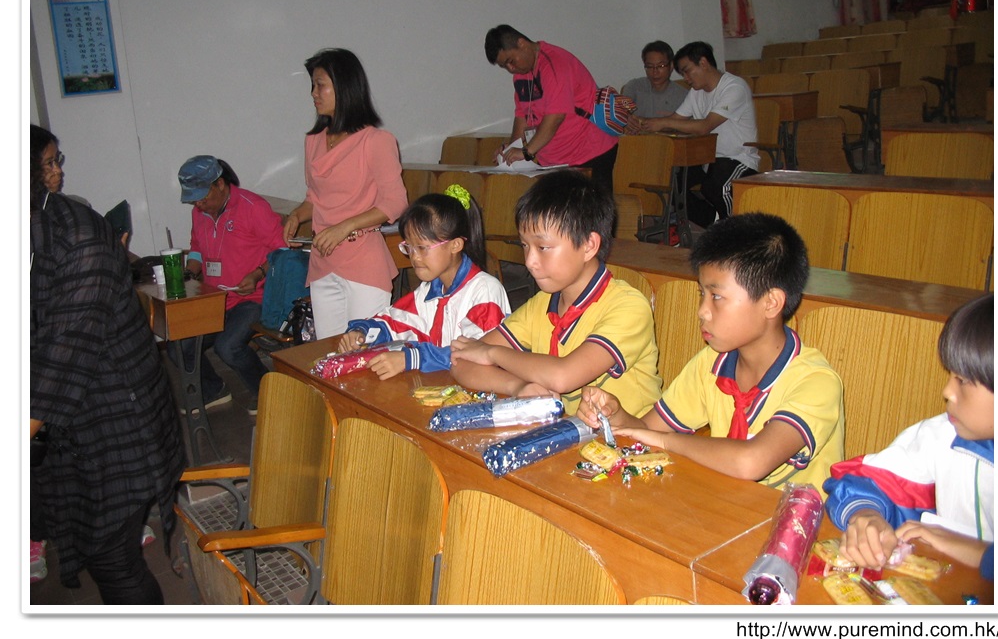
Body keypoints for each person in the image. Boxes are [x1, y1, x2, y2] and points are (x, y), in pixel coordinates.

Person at [576, 212, 845, 496]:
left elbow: (751, 461)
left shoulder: (816, 382)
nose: (702, 311)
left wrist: (665, 442)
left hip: (801, 520)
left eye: (716, 296)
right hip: (728, 508)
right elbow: (648, 429)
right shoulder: (711, 363)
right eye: (701, 295)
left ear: (770, 303)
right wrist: (616, 416)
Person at [29, 126, 185, 603]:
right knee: (99, 548)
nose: (57, 172)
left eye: (55, 161)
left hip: (119, 416)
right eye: (48, 162)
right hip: (73, 419)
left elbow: (61, 360)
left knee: (113, 558)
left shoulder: (79, 237)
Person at [450, 170, 662, 417]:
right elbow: (461, 362)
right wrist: (518, 387)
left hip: (628, 435)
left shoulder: (629, 306)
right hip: (570, 432)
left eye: (543, 247)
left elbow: (563, 377)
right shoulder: (543, 303)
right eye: (525, 245)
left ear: (589, 245)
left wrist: (491, 353)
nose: (529, 261)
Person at [823, 294, 994, 580]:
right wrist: (866, 515)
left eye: (963, 381)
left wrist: (981, 554)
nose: (947, 391)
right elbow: (867, 483)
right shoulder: (943, 435)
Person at [283, 48, 408, 339]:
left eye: (320, 85)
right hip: (324, 260)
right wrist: (297, 216)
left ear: (344, 87)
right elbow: (315, 198)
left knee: (363, 350)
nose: (313, 93)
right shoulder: (314, 141)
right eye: (312, 85)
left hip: (362, 258)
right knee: (329, 349)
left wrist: (345, 227)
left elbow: (396, 202)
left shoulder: (376, 141)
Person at [337, 185, 511, 379]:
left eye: (422, 247)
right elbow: (394, 322)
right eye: (409, 247)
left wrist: (412, 358)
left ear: (455, 245)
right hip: (441, 384)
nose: (415, 257)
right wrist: (363, 332)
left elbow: (478, 353)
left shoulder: (484, 290)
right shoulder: (430, 289)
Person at [176, 155, 287, 413]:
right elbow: (196, 247)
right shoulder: (199, 213)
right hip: (216, 298)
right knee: (180, 345)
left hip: (254, 298)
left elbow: (282, 252)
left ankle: (269, 392)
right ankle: (213, 390)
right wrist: (190, 271)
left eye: (203, 197)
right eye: (193, 200)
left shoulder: (253, 207)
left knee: (228, 347)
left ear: (220, 184)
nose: (199, 204)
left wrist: (258, 274)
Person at [628, 41, 759, 226]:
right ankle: (713, 222)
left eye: (687, 71)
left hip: (738, 159)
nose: (686, 78)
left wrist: (663, 122)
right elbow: (675, 120)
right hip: (707, 159)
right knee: (671, 184)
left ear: (703, 63)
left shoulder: (734, 87)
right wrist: (640, 122)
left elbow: (705, 126)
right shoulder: (696, 92)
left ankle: (736, 228)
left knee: (715, 186)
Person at [484, 25, 619, 193]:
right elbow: (522, 116)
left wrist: (526, 152)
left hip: (589, 154)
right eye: (505, 66)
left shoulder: (554, 64)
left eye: (511, 61)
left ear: (522, 44)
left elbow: (555, 117)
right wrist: (510, 150)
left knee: (590, 209)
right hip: (554, 161)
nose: (511, 69)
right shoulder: (521, 75)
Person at [620, 40, 688, 124]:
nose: (655, 72)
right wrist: (626, 117)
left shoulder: (683, 96)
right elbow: (622, 109)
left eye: (661, 66)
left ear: (671, 66)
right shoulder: (634, 87)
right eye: (650, 66)